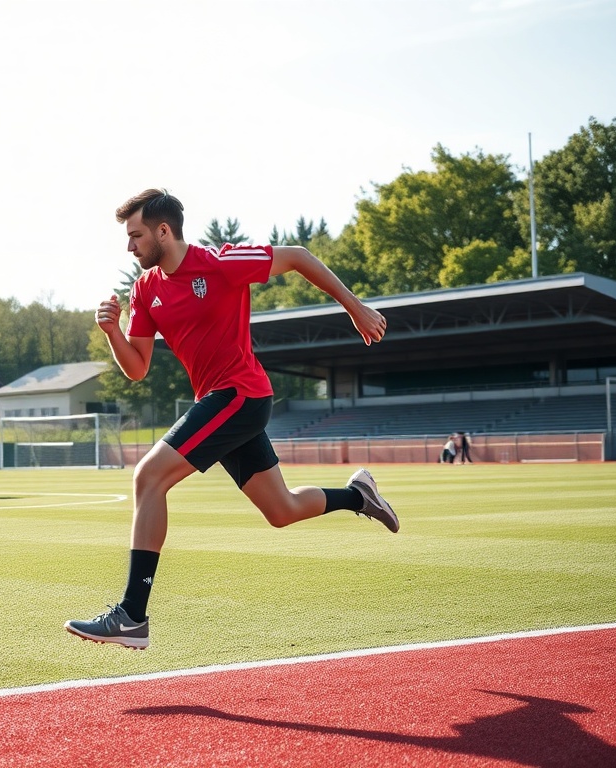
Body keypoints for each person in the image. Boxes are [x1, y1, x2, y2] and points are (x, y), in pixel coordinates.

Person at [64, 189, 399, 650]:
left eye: (136, 235)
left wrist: (355, 307)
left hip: (240, 394)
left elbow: (299, 256)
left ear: (164, 231)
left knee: (148, 477)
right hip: (221, 403)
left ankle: (132, 616)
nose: (130, 247)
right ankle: (359, 496)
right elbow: (137, 367)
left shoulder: (221, 262)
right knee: (281, 511)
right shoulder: (145, 289)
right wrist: (112, 333)